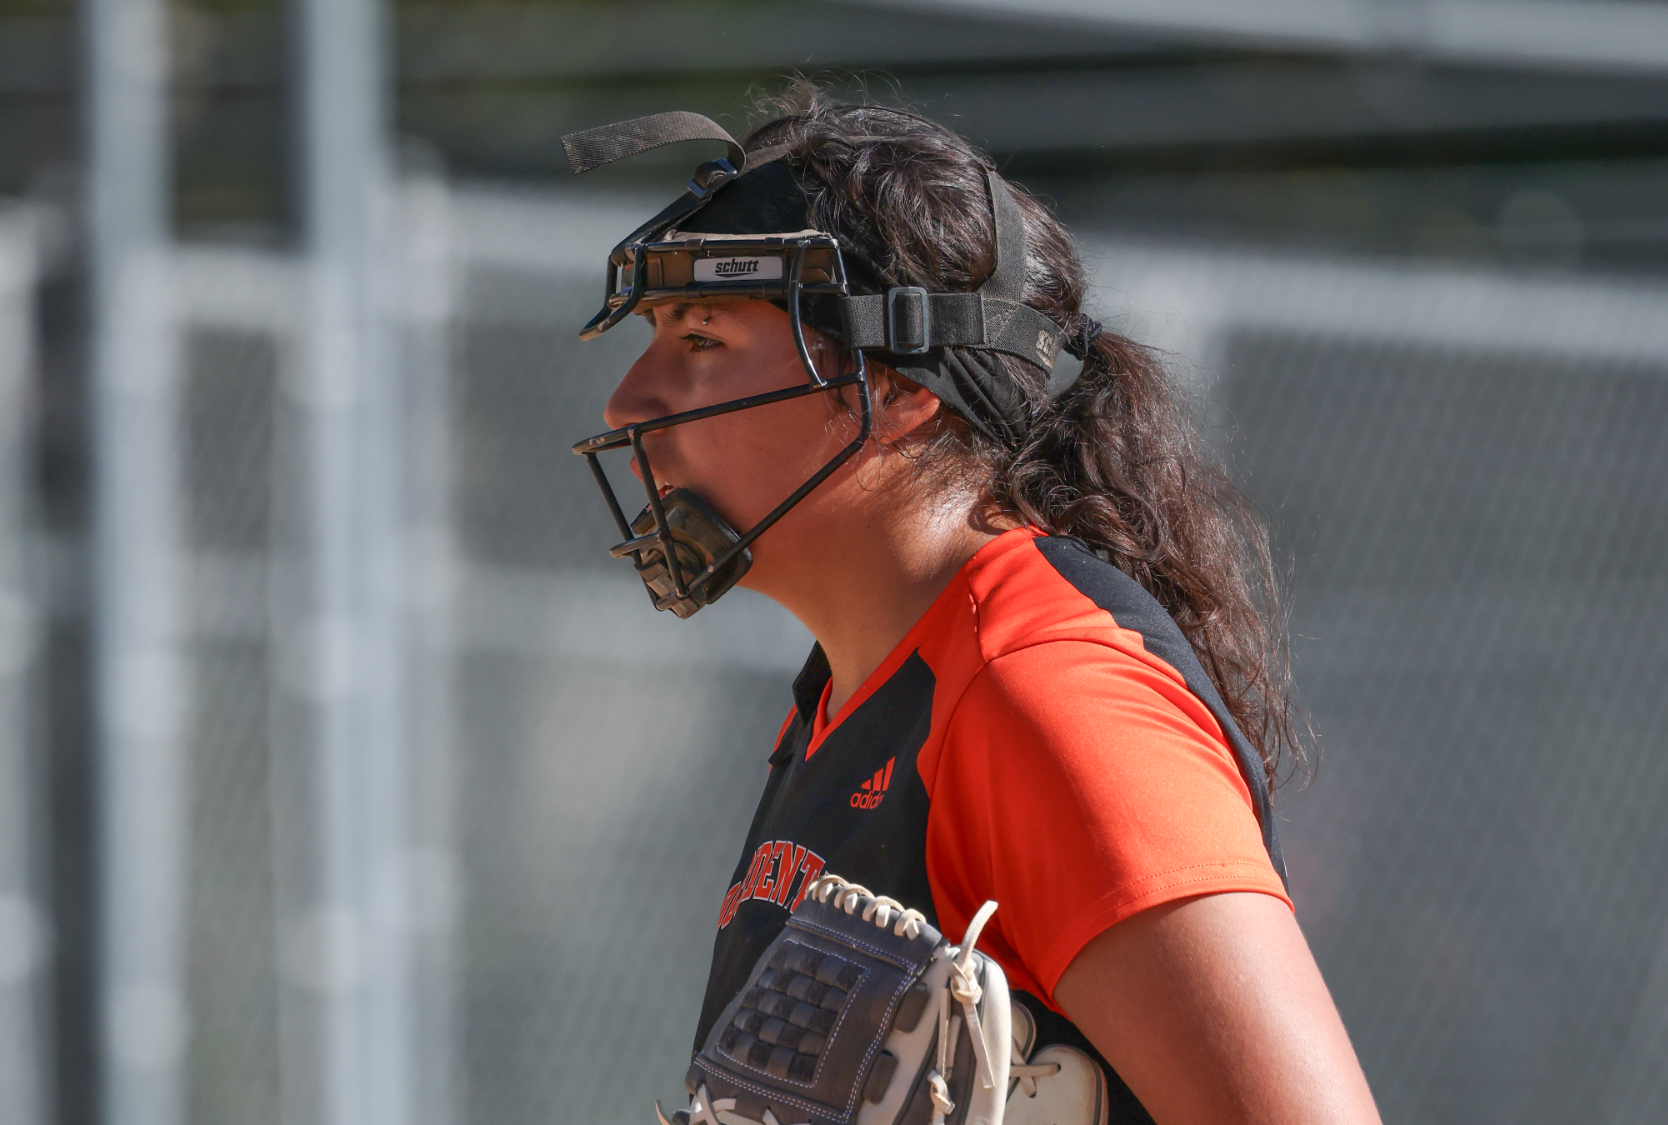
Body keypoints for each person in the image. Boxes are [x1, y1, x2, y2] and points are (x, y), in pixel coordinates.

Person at [568, 89, 1383, 1125]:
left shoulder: (1045, 690)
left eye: (699, 339)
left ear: (903, 385)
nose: (625, 400)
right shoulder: (852, 692)